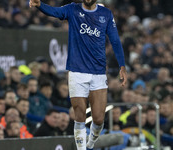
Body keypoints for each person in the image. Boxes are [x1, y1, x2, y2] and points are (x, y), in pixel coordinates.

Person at [29, 0, 127, 149]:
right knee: (79, 115)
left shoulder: (105, 14)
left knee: (99, 119)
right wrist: (39, 4)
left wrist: (122, 65)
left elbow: (115, 39)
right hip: (77, 71)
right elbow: (54, 12)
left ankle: (92, 142)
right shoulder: (72, 10)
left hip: (98, 73)